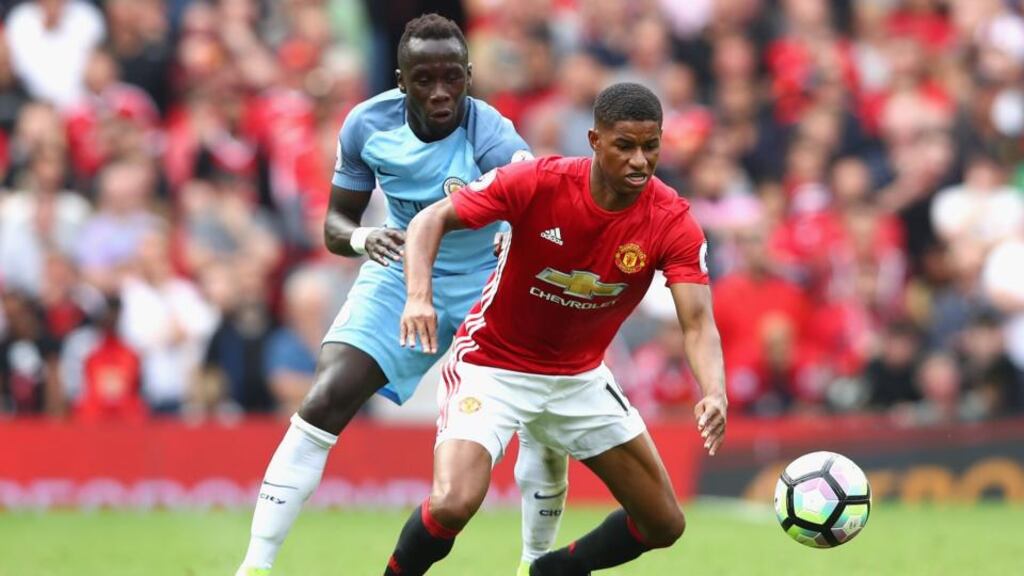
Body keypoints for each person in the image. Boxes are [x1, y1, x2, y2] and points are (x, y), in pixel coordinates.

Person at [236, 14, 569, 576]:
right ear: (400, 80)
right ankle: (255, 566)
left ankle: (533, 563)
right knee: (326, 397)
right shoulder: (366, 125)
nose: (440, 92)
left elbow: (539, 208)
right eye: (424, 79)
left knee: (546, 424)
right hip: (401, 270)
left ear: (468, 76)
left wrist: (516, 237)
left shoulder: (493, 135)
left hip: (493, 280)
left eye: (452, 77)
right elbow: (336, 225)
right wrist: (365, 238)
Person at [388, 82, 728, 575]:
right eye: (625, 146)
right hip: (493, 364)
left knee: (663, 523)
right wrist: (418, 296)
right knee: (452, 503)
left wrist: (713, 390)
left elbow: (696, 323)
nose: (640, 161)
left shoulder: (671, 220)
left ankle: (550, 572)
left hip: (579, 377)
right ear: (594, 140)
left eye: (651, 146)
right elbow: (429, 220)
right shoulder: (538, 182)